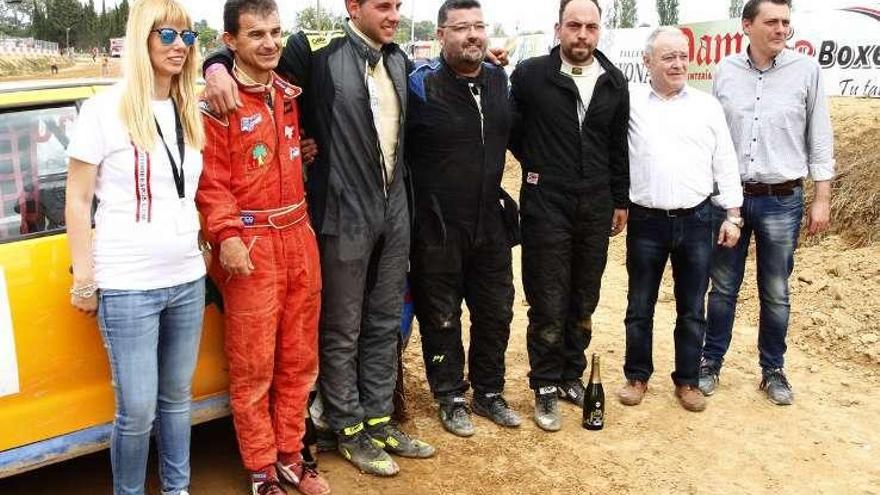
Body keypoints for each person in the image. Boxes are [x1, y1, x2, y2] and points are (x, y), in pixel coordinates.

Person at [201, 0, 435, 477]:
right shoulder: (316, 52)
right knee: (336, 328)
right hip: (328, 216)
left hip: (381, 212)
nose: (393, 15)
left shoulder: (397, 59)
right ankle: (340, 429)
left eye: (398, 6)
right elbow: (244, 60)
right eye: (383, 6)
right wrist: (214, 65)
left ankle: (373, 420)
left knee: (381, 321)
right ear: (353, 6)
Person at [65, 1, 206, 493]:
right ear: (142, 37)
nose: (179, 48)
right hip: (127, 286)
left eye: (187, 39)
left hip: (187, 280)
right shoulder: (106, 109)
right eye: (167, 36)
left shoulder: (191, 109)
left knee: (177, 400)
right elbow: (78, 201)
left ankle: (177, 488)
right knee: (138, 410)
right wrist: (84, 279)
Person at [195, 1, 331, 494]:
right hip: (250, 245)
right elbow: (211, 182)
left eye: (276, 32)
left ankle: (291, 455)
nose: (270, 43)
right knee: (254, 365)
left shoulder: (289, 94)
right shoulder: (216, 103)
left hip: (298, 234)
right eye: (256, 35)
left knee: (298, 359)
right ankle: (260, 469)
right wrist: (227, 236)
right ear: (230, 40)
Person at [699, 0, 835, 405]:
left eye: (786, 23)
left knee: (775, 290)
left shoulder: (806, 71)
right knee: (722, 287)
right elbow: (713, 136)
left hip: (783, 200)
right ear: (747, 25)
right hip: (730, 200)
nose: (781, 29)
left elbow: (820, 138)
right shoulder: (725, 71)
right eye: (772, 21)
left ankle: (772, 370)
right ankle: (710, 363)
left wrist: (821, 198)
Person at [508, 0, 629, 431]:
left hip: (596, 202)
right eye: (574, 26)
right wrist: (543, 165)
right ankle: (543, 384)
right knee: (547, 294)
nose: (582, 35)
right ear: (558, 28)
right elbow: (515, 133)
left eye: (591, 27)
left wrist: (620, 199)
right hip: (547, 199)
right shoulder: (530, 75)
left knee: (584, 295)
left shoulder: (614, 80)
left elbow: (618, 145)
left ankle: (570, 376)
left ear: (600, 31)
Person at [407, 0, 520, 438]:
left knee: (497, 311)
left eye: (478, 26)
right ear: (440, 36)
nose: (472, 35)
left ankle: (489, 392)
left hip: (489, 221)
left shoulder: (498, 79)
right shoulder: (420, 85)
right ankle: (450, 395)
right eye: (460, 28)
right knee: (441, 316)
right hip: (436, 226)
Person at [616, 27, 743, 413]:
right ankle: (637, 376)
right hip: (646, 222)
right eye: (668, 56)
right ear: (647, 61)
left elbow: (725, 161)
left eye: (683, 56)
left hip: (698, 219)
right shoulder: (631, 104)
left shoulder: (707, 107)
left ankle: (688, 381)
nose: (678, 63)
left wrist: (733, 215)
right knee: (640, 304)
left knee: (692, 306)